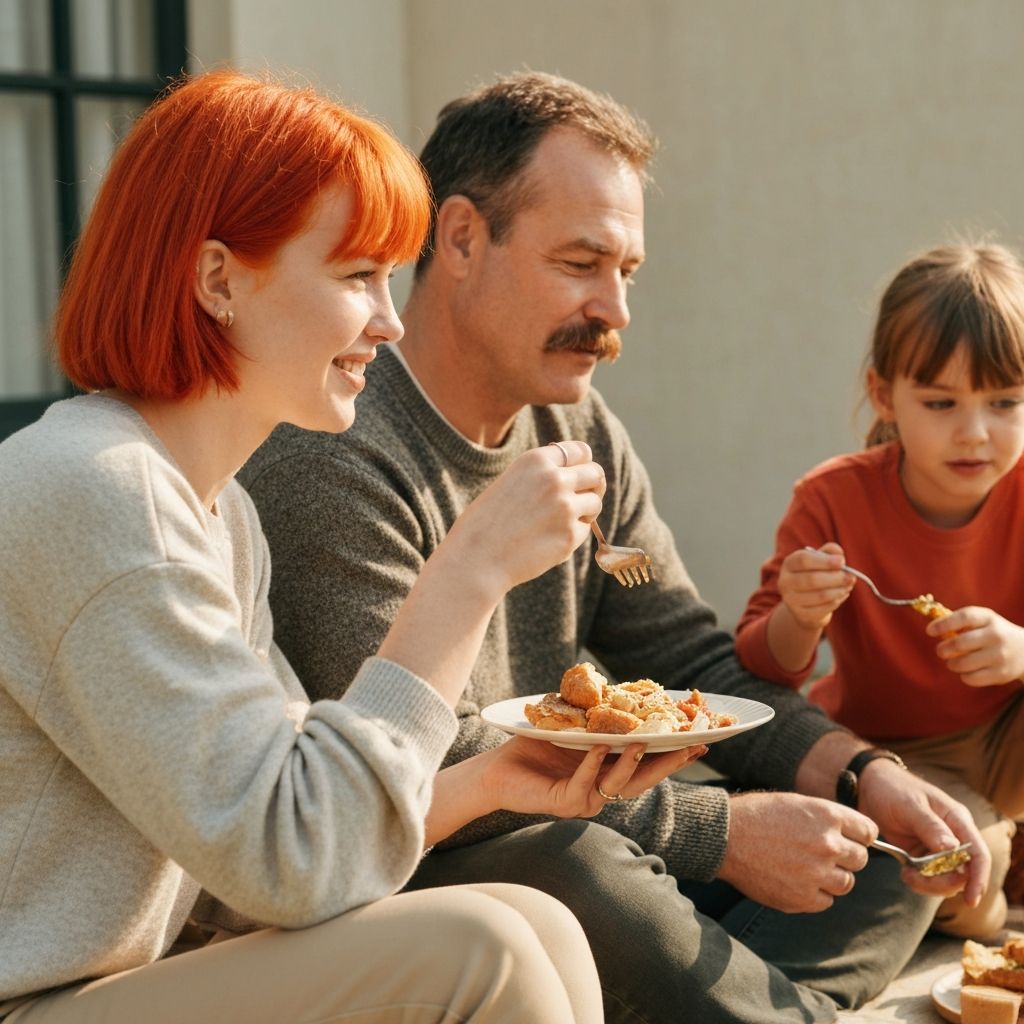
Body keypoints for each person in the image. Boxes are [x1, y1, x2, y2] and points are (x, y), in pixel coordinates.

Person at [240, 72, 989, 1022]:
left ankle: (742, 1004)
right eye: (581, 262)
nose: (616, 311)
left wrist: (860, 770)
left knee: (879, 853)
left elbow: (691, 658)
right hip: (435, 860)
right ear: (463, 238)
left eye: (626, 271)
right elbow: (425, 767)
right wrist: (719, 834)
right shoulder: (335, 450)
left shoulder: (577, 424)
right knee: (584, 868)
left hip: (589, 823)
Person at [0, 69, 715, 1024]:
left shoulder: (217, 513)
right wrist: (468, 572)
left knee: (530, 917)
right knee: (484, 950)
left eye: (388, 275)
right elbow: (292, 861)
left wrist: (483, 784)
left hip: (121, 986)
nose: (388, 316)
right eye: (354, 276)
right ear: (219, 279)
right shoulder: (97, 489)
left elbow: (274, 840)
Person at [736, 242, 1024, 939]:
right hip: (896, 755)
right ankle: (991, 883)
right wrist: (801, 616)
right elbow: (761, 666)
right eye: (940, 402)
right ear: (882, 395)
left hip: (1007, 738)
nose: (974, 432)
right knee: (962, 868)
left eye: (1005, 402)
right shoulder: (835, 500)